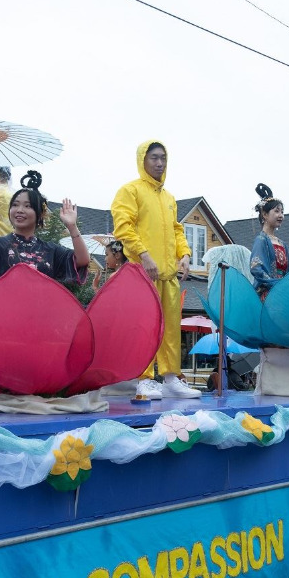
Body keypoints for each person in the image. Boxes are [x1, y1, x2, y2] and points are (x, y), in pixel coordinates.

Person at [111, 140, 200, 399]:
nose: (159, 163)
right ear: (142, 160)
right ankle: (144, 378)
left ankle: (172, 377)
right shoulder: (130, 191)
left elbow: (176, 229)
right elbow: (123, 227)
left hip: (169, 274)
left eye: (163, 158)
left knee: (171, 327)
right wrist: (144, 255)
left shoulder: (169, 197)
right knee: (144, 326)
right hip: (143, 272)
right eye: (153, 158)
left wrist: (184, 254)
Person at [0, 170, 90, 288]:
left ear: (39, 214)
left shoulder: (50, 250)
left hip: (41, 307)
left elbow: (82, 260)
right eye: (15, 205)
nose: (20, 210)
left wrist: (72, 227)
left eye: (27, 206)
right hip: (5, 307)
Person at [249, 184, 289, 299]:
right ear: (264, 214)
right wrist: (275, 284)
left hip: (283, 292)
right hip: (267, 293)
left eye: (282, 212)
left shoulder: (282, 244)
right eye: (277, 211)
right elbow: (256, 268)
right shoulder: (261, 240)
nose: (281, 215)